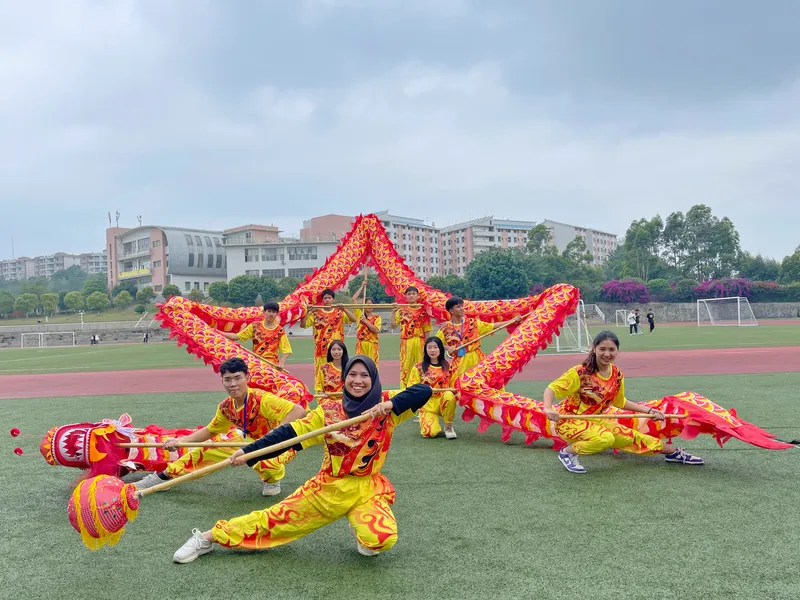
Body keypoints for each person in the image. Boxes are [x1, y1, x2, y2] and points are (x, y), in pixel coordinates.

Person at [171, 355, 433, 563]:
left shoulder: (388, 407)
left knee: (381, 539)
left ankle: (360, 528)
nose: (358, 380)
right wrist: (249, 452)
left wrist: (390, 405)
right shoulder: (327, 412)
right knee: (272, 520)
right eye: (352, 374)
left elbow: (424, 390)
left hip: (367, 489)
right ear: (344, 378)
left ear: (373, 379)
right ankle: (208, 538)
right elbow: (288, 434)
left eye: (365, 375)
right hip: (328, 490)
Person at [135, 357, 307, 496]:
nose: (233, 384)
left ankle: (272, 479)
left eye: (237, 378)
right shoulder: (226, 407)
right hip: (247, 441)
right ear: (222, 381)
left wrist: (273, 437)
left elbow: (298, 411)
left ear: (247, 378)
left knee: (262, 458)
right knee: (208, 449)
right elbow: (211, 430)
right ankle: (164, 478)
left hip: (279, 445)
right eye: (228, 379)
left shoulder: (262, 400)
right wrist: (182, 441)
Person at [542, 330, 704, 474]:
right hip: (569, 421)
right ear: (594, 349)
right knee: (605, 439)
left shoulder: (616, 374)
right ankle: (567, 452)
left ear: (617, 351)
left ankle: (673, 453)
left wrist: (648, 411)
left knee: (631, 437)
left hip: (596, 420)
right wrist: (548, 409)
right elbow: (552, 389)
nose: (607, 354)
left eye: (611, 349)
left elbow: (620, 402)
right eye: (602, 349)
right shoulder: (580, 372)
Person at [436, 296, 521, 383]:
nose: (462, 309)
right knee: (460, 384)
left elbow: (492, 326)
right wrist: (448, 348)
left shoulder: (473, 323)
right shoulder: (445, 328)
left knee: (488, 381)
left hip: (478, 358)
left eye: (462, 306)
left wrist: (512, 321)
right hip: (460, 362)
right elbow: (435, 343)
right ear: (451, 311)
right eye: (458, 307)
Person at [303, 289, 357, 392]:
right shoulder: (315, 314)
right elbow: (303, 325)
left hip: (337, 352)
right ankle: (321, 401)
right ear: (322, 300)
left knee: (338, 376)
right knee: (320, 378)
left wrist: (344, 309)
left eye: (329, 298)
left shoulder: (339, 313)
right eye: (325, 298)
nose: (327, 300)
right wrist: (307, 311)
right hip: (321, 352)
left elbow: (354, 319)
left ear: (333, 299)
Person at [407, 336, 457, 439]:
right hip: (427, 403)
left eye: (435, 347)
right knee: (430, 433)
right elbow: (411, 387)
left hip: (444, 401)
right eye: (429, 347)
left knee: (449, 395)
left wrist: (453, 390)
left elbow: (455, 386)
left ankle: (448, 427)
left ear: (440, 349)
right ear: (425, 349)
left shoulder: (449, 367)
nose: (432, 350)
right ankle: (431, 423)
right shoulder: (418, 367)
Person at [222, 301, 292, 368]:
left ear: (276, 314)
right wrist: (218, 332)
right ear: (264, 312)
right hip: (257, 364)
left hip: (272, 365)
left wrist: (281, 362)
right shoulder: (255, 326)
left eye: (274, 312)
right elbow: (236, 336)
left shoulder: (279, 331)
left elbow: (287, 350)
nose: (271, 314)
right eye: (269, 311)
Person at [391, 286, 432, 388]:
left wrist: (428, 346)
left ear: (418, 296)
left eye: (413, 293)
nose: (411, 296)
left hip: (420, 341)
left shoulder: (423, 311)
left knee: (422, 365)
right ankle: (404, 389)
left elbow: (426, 330)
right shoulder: (401, 310)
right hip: (406, 342)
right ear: (405, 296)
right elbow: (393, 325)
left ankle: (422, 388)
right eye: (409, 294)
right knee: (405, 367)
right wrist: (393, 311)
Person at [355, 297, 382, 368]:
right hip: (361, 344)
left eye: (371, 304)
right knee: (360, 365)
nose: (369, 306)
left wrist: (365, 321)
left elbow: (376, 330)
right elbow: (354, 299)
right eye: (367, 304)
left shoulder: (377, 317)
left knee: (372, 366)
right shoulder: (359, 315)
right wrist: (362, 286)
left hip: (372, 344)